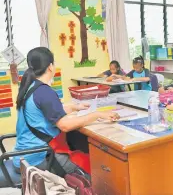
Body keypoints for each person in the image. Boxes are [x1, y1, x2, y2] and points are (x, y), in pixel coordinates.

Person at [13, 47, 120, 176]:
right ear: (50, 67)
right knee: (96, 170)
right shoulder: (44, 92)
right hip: (40, 158)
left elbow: (47, 111)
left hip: (23, 156)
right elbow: (65, 125)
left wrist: (75, 107)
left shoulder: (30, 87)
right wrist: (97, 114)